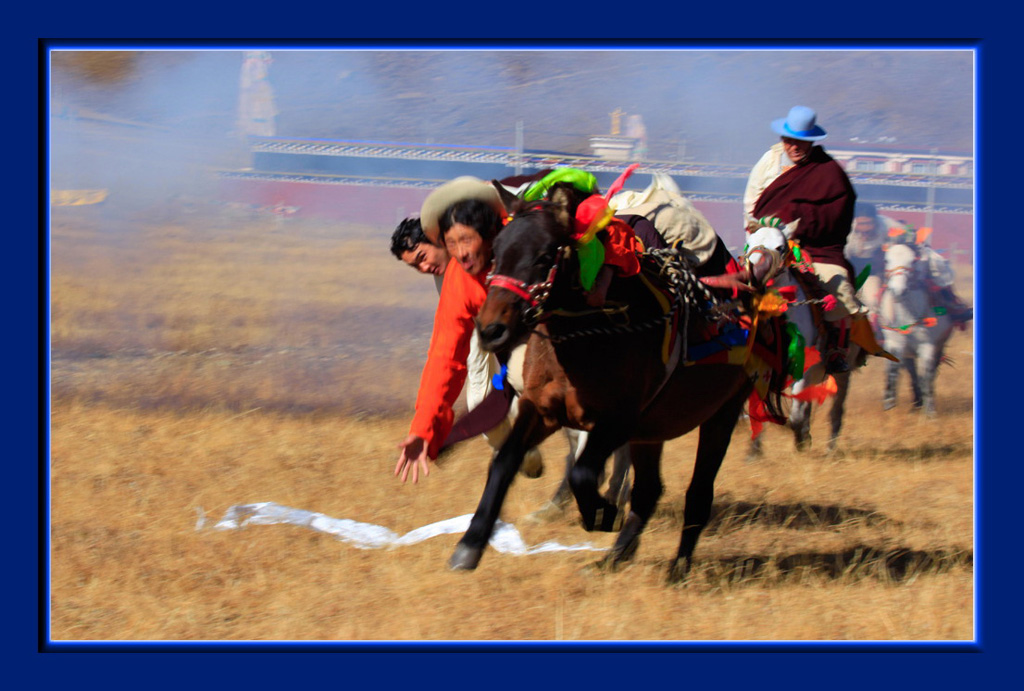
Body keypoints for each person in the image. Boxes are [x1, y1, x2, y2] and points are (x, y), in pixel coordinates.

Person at [389, 205, 543, 481]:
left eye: (423, 257)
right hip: (485, 336)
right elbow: (445, 357)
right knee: (483, 399)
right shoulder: (452, 283)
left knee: (518, 378)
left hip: (540, 322)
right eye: (416, 266)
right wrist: (424, 427)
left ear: (438, 240)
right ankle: (520, 450)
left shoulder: (507, 237)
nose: (424, 267)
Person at [746, 105, 867, 374]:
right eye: (790, 141)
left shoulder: (830, 174)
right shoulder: (771, 166)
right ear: (783, 140)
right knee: (741, 283)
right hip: (772, 246)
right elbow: (755, 205)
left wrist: (795, 217)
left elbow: (837, 215)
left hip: (819, 249)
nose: (794, 147)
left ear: (811, 141)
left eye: (801, 142)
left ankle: (835, 348)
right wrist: (763, 227)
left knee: (839, 289)